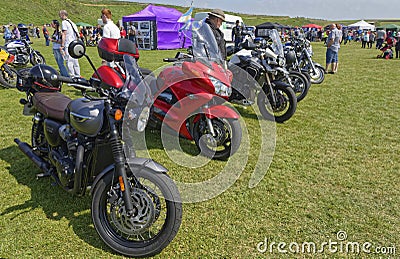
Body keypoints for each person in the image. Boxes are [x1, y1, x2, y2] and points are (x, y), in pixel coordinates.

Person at [59, 10, 81, 78]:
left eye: (60, 15)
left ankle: (72, 77)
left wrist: (62, 45)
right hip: (74, 44)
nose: (59, 17)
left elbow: (64, 34)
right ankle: (78, 75)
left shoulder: (64, 22)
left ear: (63, 15)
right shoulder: (72, 23)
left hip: (68, 44)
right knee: (75, 61)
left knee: (69, 61)